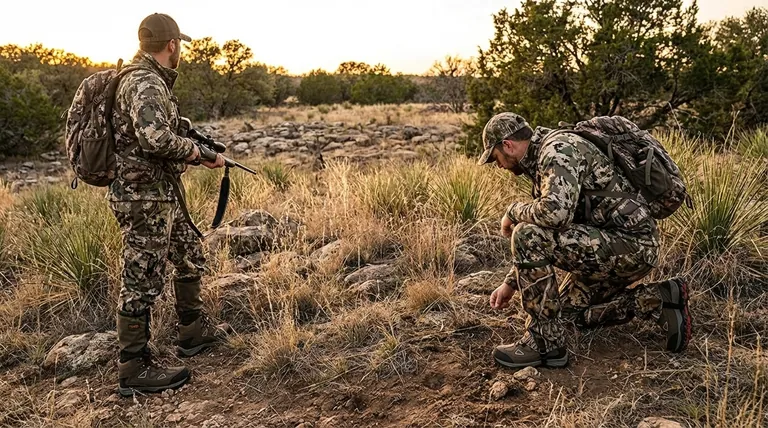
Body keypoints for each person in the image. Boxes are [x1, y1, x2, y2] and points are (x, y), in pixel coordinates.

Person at [477, 112, 691, 370]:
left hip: (630, 248)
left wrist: (512, 211)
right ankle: (658, 299)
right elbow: (550, 222)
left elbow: (555, 215)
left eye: (495, 157)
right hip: (617, 247)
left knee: (525, 233)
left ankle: (544, 344)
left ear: (507, 145)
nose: (497, 165)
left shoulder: (557, 150)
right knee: (568, 315)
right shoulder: (545, 156)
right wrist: (510, 284)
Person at [110, 13, 229, 396]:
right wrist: (198, 153)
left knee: (188, 250)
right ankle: (132, 369)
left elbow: (159, 132)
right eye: (180, 46)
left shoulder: (146, 79)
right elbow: (154, 139)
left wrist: (194, 141)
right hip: (143, 196)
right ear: (172, 45)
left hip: (160, 190)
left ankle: (191, 335)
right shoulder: (144, 81)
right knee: (142, 273)